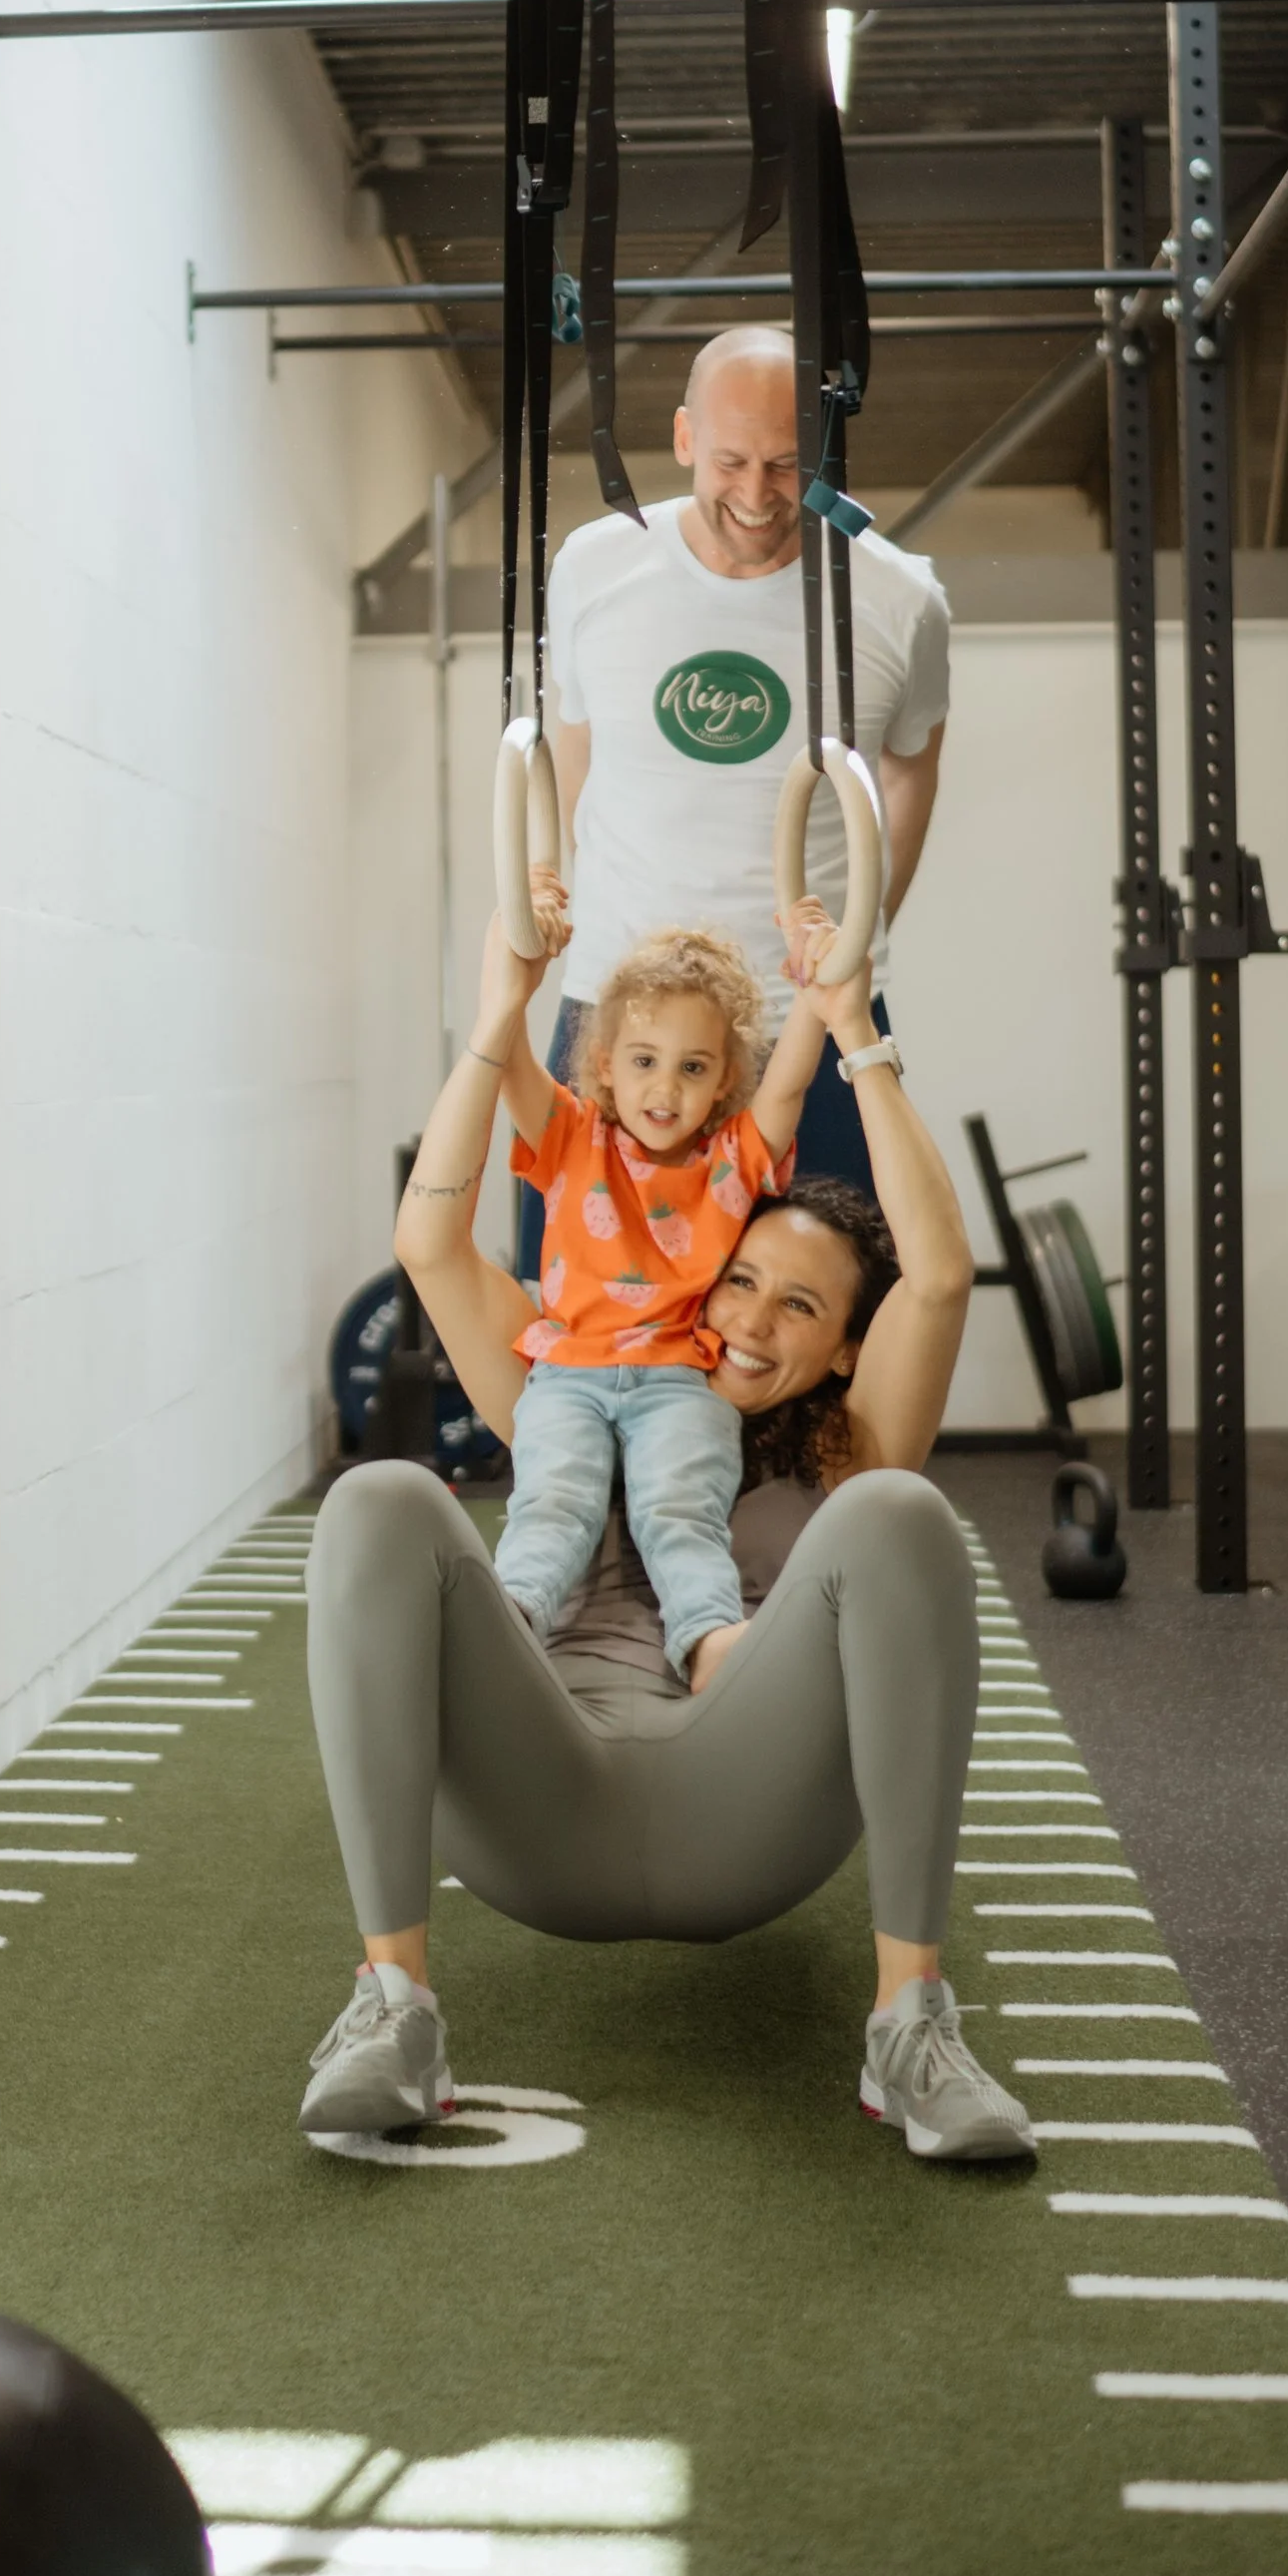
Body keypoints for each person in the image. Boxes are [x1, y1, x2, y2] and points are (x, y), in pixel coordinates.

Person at [300, 886, 1035, 2170]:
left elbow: (942, 1270)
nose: (751, 1319)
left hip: (742, 1804)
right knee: (379, 1498)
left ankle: (910, 2025)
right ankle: (392, 2009)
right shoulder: (567, 1384)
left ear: (845, 1347)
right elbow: (427, 1239)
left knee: (900, 1513)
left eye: (798, 1308)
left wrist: (850, 1021)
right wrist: (497, 1010)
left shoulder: (852, 1445)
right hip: (535, 1789)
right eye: (740, 1278)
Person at [523, 323, 950, 1253]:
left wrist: (869, 918)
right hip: (616, 1006)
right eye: (731, 462)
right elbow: (580, 747)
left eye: (789, 465)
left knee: (830, 1332)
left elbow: (912, 760)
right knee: (582, 1319)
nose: (757, 496)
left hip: (812, 1006)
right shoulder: (595, 567)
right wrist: (569, 896)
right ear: (683, 440)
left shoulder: (897, 598)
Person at [493, 914, 837, 1688]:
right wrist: (515, 972)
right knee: (554, 1503)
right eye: (645, 1060)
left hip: (680, 1380)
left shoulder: (731, 1161)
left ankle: (710, 1638)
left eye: (693, 1068)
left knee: (680, 1514)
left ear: (721, 1082)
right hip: (569, 1376)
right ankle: (511, 1616)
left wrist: (817, 986)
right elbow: (508, 1061)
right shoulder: (572, 1138)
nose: (665, 1086)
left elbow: (790, 1081)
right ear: (605, 1064)